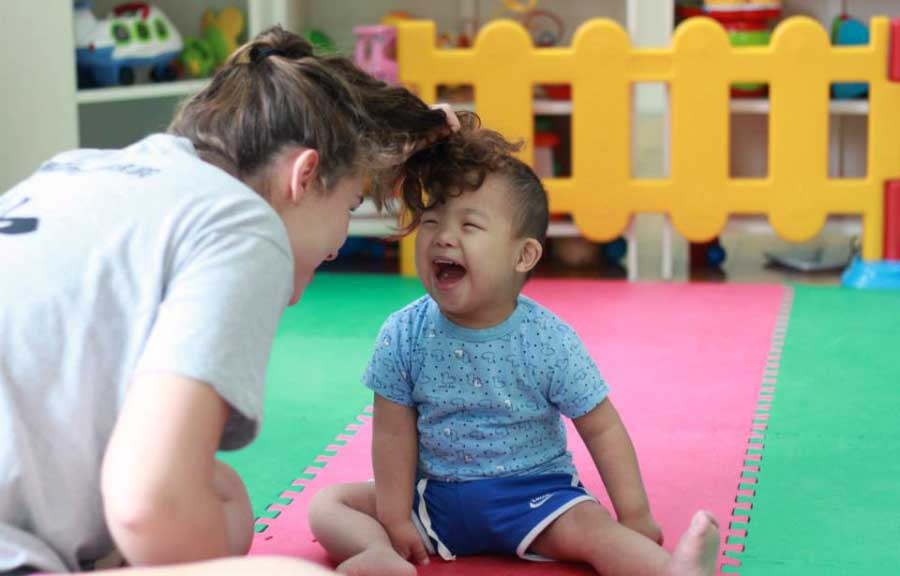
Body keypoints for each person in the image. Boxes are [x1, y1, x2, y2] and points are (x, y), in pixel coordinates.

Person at [0, 25, 457, 576]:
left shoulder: (79, 172)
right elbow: (150, 509)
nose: (341, 239)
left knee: (221, 494)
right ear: (305, 175)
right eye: (352, 203)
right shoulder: (244, 224)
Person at [308, 114, 721, 576]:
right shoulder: (402, 333)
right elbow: (391, 433)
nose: (443, 235)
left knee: (601, 536)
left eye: (469, 225)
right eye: (431, 220)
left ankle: (673, 572)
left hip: (537, 497)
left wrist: (635, 514)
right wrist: (394, 518)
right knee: (328, 503)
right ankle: (378, 556)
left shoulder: (548, 340)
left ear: (522, 255)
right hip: (434, 499)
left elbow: (602, 428)